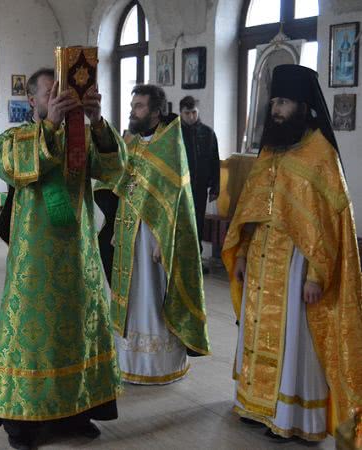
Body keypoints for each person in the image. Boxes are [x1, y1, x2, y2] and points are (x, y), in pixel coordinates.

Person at [223, 64, 362, 441]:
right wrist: (242, 254)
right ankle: (255, 405)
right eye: (273, 103)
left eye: (283, 102)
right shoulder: (271, 149)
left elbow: (329, 226)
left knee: (293, 339)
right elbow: (253, 208)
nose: (276, 110)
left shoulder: (321, 155)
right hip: (262, 259)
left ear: (302, 105)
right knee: (254, 332)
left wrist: (317, 276)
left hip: (298, 267)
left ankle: (291, 416)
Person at [0, 68, 124, 450]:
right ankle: (26, 424)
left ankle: (78, 412)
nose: (59, 100)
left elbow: (114, 170)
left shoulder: (80, 137)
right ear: (32, 100)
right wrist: (50, 125)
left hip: (79, 253)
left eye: (64, 94)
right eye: (51, 94)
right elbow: (12, 167)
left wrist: (97, 121)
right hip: (35, 260)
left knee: (79, 331)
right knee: (34, 339)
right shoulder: (13, 137)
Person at [109, 84, 210, 386]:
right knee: (132, 295)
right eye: (133, 105)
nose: (132, 111)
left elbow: (174, 198)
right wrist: (117, 228)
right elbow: (125, 184)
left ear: (155, 112)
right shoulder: (133, 141)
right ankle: (129, 360)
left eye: (139, 106)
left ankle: (158, 364)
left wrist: (160, 240)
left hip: (155, 239)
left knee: (153, 295)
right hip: (130, 232)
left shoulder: (170, 143)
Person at [179, 95, 220, 272]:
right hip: (179, 188)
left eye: (194, 113)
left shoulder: (208, 133)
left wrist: (215, 187)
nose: (191, 117)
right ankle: (179, 260)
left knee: (198, 224)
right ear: (181, 113)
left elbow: (215, 161)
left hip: (200, 187)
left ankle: (196, 261)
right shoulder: (175, 133)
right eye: (187, 113)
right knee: (181, 224)